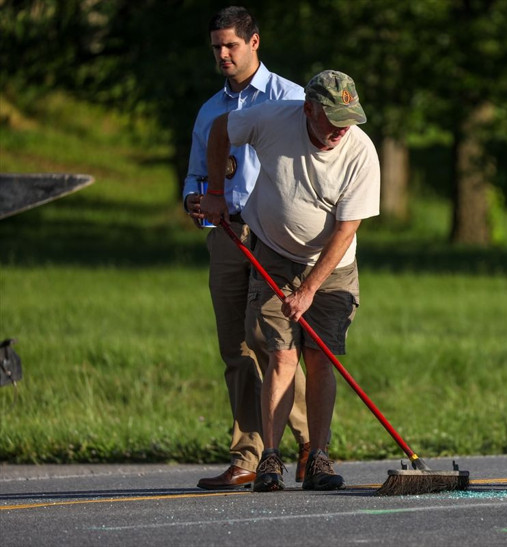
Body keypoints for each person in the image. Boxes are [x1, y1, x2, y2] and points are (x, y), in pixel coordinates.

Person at [201, 69, 380, 492]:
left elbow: (345, 230)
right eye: (332, 118)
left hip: (332, 268)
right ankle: (270, 459)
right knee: (280, 355)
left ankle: (318, 456)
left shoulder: (361, 152)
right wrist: (214, 191)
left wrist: (307, 291)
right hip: (274, 256)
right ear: (308, 109)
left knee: (319, 358)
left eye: (348, 118)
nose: (341, 129)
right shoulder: (274, 119)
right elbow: (220, 127)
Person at [182, 6, 312, 490]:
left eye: (231, 45)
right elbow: (196, 172)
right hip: (228, 235)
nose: (222, 54)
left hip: (274, 238)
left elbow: (309, 166)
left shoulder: (291, 98)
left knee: (276, 344)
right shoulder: (210, 110)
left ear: (254, 43)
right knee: (235, 347)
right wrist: (194, 199)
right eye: (216, 46)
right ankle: (247, 455)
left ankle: (307, 446)